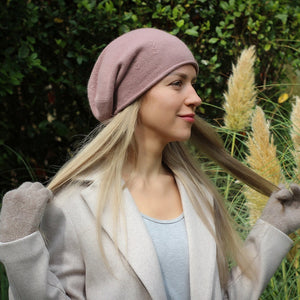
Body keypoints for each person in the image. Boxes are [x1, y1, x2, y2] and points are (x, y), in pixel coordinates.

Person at [0, 28, 300, 300]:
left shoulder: (199, 194)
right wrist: (21, 252)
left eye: (192, 84)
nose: (195, 97)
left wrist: (273, 229)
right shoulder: (75, 204)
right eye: (177, 83)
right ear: (136, 97)